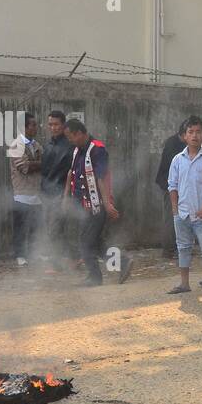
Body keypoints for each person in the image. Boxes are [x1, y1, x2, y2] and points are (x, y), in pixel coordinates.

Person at [65, 119, 131, 287]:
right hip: (84, 205)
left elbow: (101, 177)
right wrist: (66, 197)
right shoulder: (77, 150)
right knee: (94, 241)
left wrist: (107, 204)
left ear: (79, 133)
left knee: (85, 241)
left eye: (70, 137)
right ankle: (122, 263)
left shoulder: (97, 149)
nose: (69, 140)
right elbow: (71, 173)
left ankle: (95, 277)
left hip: (97, 205)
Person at [166, 116, 202, 296]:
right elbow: (172, 186)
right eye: (190, 132)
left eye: (198, 131)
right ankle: (184, 284)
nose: (195, 135)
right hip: (182, 214)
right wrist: (175, 209)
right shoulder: (177, 160)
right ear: (184, 136)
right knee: (183, 248)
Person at [5, 114, 43, 267]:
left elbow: (43, 162)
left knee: (36, 227)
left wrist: (37, 163)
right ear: (24, 127)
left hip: (36, 193)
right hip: (21, 195)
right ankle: (20, 255)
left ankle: (34, 253)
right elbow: (25, 168)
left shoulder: (36, 145)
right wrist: (41, 163)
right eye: (33, 125)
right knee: (21, 228)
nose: (36, 127)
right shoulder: (15, 145)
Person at [40, 110, 76, 266]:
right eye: (50, 125)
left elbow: (70, 172)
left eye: (56, 124)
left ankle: (62, 261)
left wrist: (66, 196)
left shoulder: (69, 146)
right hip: (47, 193)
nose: (53, 128)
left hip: (61, 193)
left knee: (55, 229)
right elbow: (45, 170)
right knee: (52, 229)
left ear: (63, 125)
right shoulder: (48, 145)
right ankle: (70, 259)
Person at [154, 122, 187, 259]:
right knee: (171, 217)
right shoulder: (173, 144)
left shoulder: (181, 144)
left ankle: (178, 247)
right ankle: (168, 249)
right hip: (170, 185)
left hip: (178, 185)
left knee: (179, 217)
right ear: (183, 134)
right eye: (189, 133)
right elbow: (174, 169)